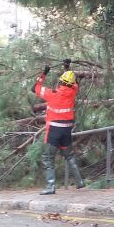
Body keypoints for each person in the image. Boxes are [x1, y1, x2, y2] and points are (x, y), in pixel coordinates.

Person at [32, 59, 85, 195]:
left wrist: (44, 73)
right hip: (66, 129)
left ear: (61, 81)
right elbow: (75, 83)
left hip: (54, 130)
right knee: (69, 155)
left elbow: (35, 88)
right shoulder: (73, 91)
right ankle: (79, 181)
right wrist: (67, 67)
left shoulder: (52, 94)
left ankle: (50, 186)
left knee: (48, 157)